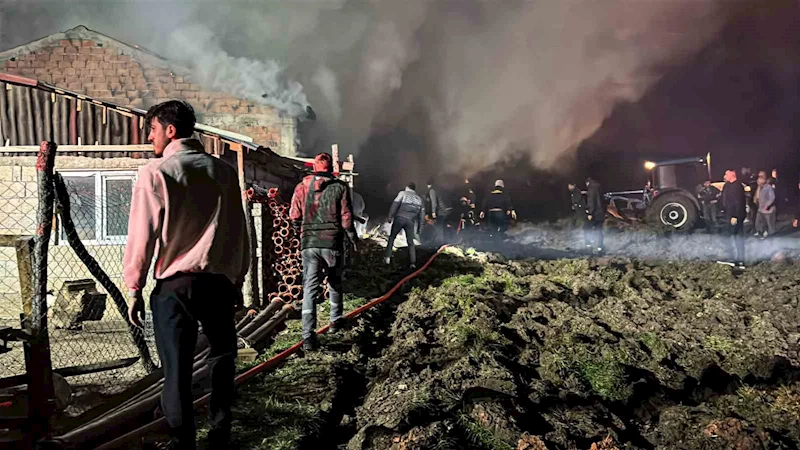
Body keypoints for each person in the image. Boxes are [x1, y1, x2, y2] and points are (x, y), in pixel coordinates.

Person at [123, 100, 249, 449]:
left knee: (176, 370)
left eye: (151, 130)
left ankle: (184, 442)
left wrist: (134, 286)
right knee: (223, 357)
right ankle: (220, 432)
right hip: (219, 283)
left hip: (175, 287)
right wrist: (236, 278)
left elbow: (142, 234)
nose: (149, 138)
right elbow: (239, 230)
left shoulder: (156, 172)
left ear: (170, 130)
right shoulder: (223, 171)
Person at [290, 153, 358, 351]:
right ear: (331, 169)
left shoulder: (302, 187)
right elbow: (346, 218)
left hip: (309, 244)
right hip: (332, 243)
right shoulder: (340, 187)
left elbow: (294, 215)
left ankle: (308, 336)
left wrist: (302, 231)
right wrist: (353, 239)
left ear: (314, 168)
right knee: (335, 280)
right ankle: (335, 321)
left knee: (310, 287)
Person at [384, 182, 425, 269]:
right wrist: (419, 228)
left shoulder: (403, 193)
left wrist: (390, 216)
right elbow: (422, 215)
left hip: (400, 218)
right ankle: (412, 263)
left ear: (407, 187)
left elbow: (395, 204)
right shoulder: (419, 199)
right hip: (410, 221)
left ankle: (387, 258)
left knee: (392, 238)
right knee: (410, 242)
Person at [722, 169, 746, 267]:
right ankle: (738, 260)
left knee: (733, 236)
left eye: (726, 174)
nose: (724, 176)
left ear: (732, 175)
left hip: (735, 216)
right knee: (735, 236)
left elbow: (738, 202)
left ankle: (735, 259)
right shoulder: (727, 186)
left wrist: (735, 216)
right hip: (729, 215)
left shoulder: (737, 186)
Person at [584, 177, 605, 253]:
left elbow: (591, 202)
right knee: (599, 230)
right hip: (601, 213)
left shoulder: (591, 189)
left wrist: (590, 213)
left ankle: (589, 245)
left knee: (586, 228)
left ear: (587, 183)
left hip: (594, 214)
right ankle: (600, 247)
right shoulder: (599, 187)